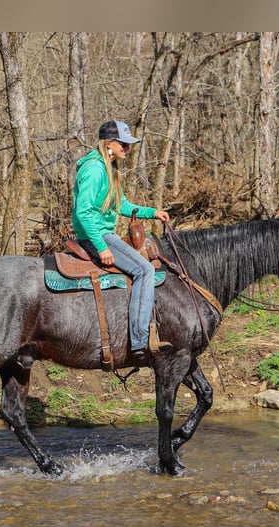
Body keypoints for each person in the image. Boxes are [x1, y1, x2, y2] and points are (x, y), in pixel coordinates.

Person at [72, 119, 171, 362]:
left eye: (128, 145)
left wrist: (152, 212)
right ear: (109, 143)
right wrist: (101, 246)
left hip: (104, 233)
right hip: (96, 235)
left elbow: (122, 205)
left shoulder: (111, 169)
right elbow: (83, 212)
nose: (127, 148)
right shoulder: (94, 170)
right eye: (123, 144)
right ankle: (139, 340)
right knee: (145, 270)